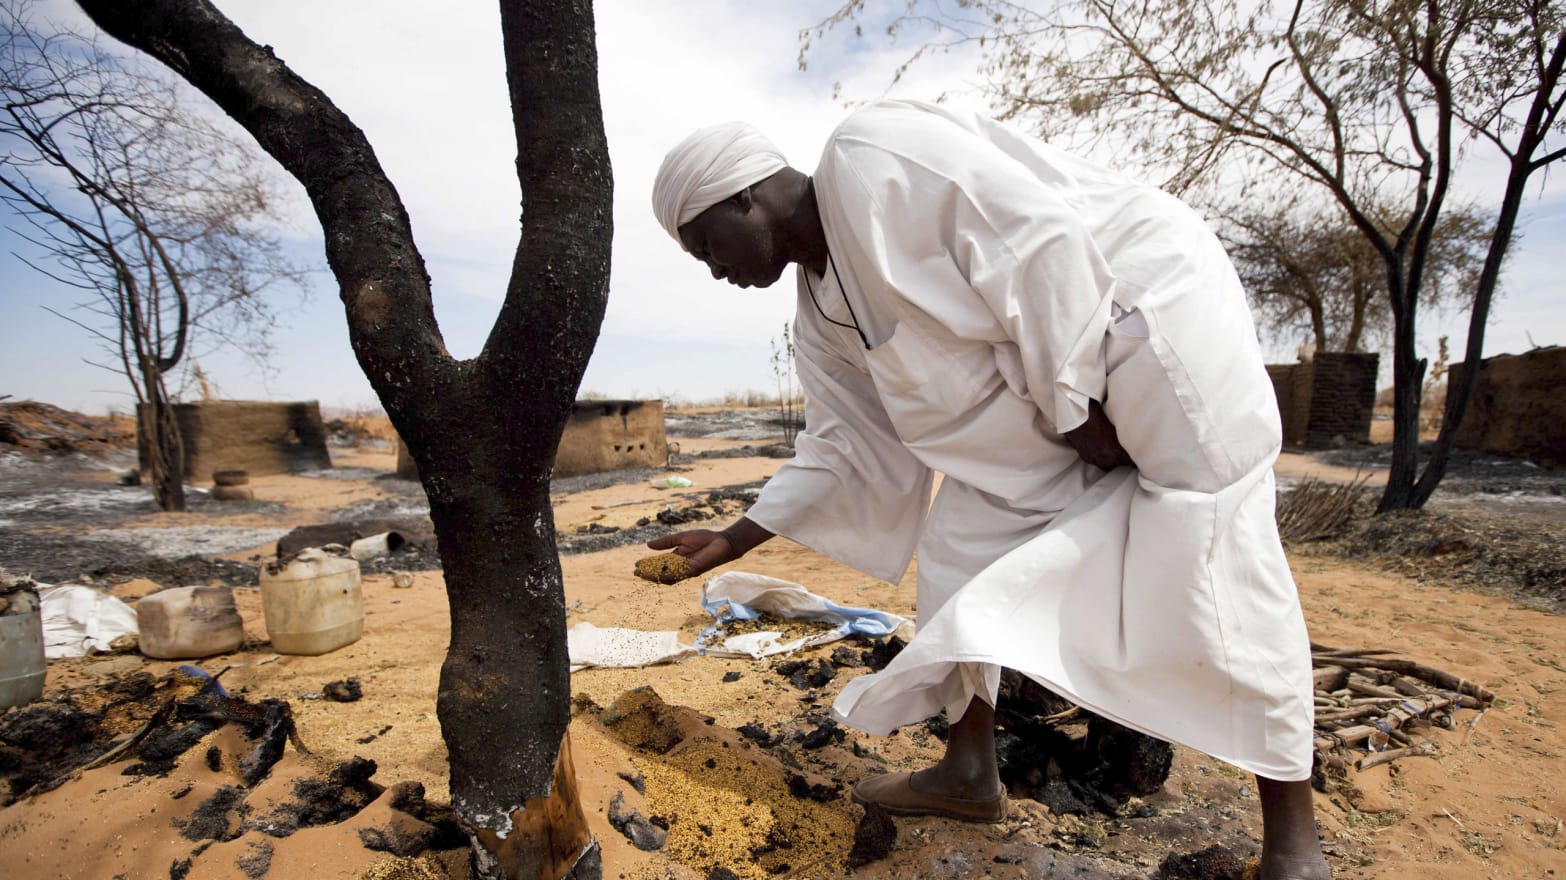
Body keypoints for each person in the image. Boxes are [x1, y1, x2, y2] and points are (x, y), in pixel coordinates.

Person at [647, 99, 1331, 880]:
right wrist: (734, 539)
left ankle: (1294, 843)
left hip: (1138, 317)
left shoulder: (872, 155)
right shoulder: (820, 315)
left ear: (745, 195)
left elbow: (1037, 245)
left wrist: (1078, 404)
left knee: (1217, 543)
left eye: (706, 243)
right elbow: (845, 444)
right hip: (1053, 400)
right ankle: (969, 771)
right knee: (958, 546)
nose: (714, 270)